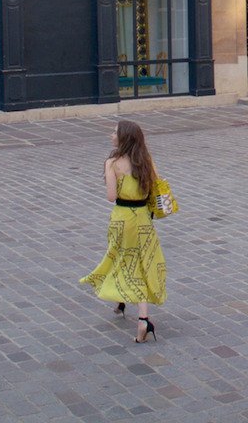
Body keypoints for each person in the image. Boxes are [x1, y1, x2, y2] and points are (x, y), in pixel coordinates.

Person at [80, 119, 167, 343]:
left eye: (114, 132)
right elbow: (153, 189)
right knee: (143, 261)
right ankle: (122, 301)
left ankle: (143, 319)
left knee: (124, 260)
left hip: (122, 218)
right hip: (143, 220)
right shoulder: (146, 161)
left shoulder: (112, 163)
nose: (111, 135)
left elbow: (111, 196)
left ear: (124, 138)